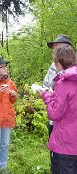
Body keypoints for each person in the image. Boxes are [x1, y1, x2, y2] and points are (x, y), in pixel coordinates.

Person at [40, 44, 77, 174]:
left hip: (64, 143)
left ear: (59, 64)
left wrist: (46, 96)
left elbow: (54, 114)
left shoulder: (64, 82)